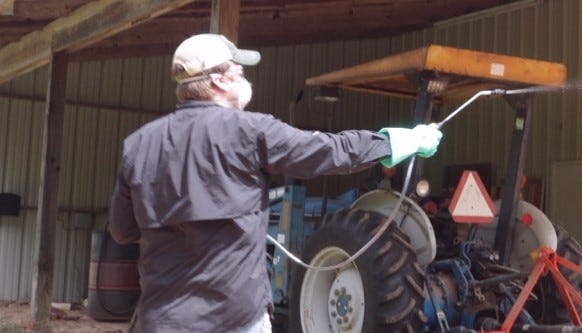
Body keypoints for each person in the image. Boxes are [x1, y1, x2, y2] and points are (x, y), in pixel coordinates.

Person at [108, 33, 441, 333]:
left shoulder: (138, 145)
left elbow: (122, 230)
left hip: (162, 320)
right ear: (221, 81)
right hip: (234, 319)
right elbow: (327, 151)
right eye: (239, 72)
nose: (244, 78)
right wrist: (391, 144)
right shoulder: (249, 131)